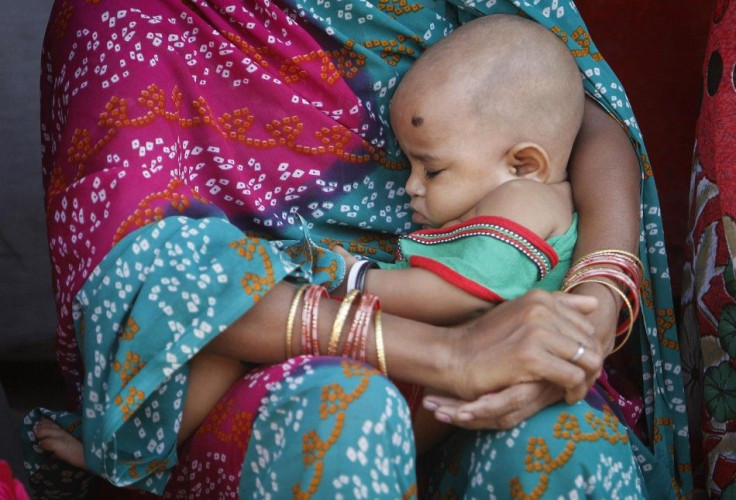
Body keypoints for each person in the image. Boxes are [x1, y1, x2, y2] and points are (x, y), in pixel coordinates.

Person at [22, 0, 690, 498]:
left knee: (566, 447)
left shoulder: (517, 193)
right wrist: (449, 352)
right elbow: (153, 278)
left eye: (427, 169)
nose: (410, 189)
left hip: (484, 332)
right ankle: (129, 463)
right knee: (343, 414)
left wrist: (592, 306)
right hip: (274, 364)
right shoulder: (129, 17)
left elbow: (580, 109)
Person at [335, 14, 583, 329]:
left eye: (433, 171)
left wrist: (354, 282)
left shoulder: (526, 200)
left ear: (523, 166)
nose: (412, 185)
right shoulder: (516, 199)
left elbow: (460, 294)